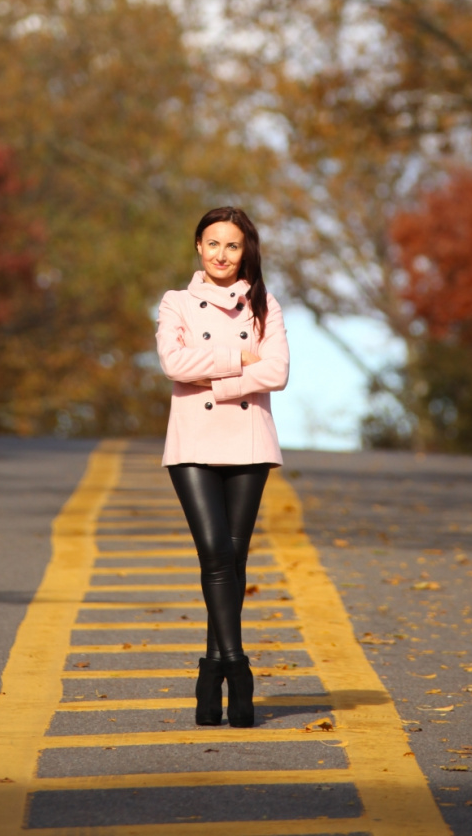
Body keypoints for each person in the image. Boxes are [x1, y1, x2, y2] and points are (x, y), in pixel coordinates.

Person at [156, 206, 290, 728]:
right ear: (198, 246)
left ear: (244, 251)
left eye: (232, 246)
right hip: (191, 443)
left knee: (235, 562)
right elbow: (173, 364)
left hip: (249, 442)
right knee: (215, 553)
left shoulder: (263, 304)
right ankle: (236, 664)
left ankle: (211, 674)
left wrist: (214, 379)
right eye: (213, 244)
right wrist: (241, 363)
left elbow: (278, 372)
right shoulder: (176, 302)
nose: (221, 255)